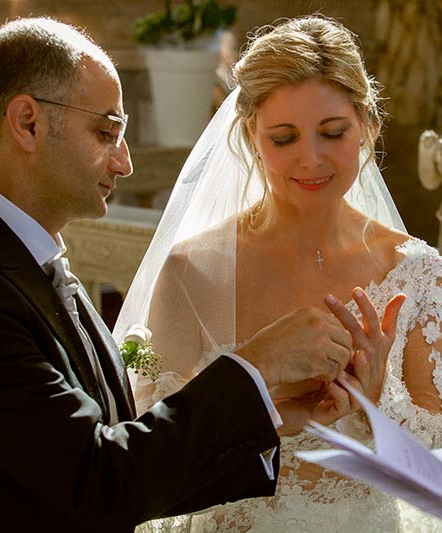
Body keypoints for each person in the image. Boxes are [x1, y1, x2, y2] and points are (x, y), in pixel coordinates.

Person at [0, 16, 378, 533]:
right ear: (28, 123)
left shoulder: (24, 261)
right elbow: (99, 483)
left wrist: (274, 417)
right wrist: (257, 362)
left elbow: (120, 453)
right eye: (106, 131)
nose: (126, 162)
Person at [114, 15, 442, 532]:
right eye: (284, 138)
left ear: (368, 127)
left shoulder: (417, 273)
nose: (310, 159)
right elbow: (152, 455)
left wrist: (379, 402)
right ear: (250, 134)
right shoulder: (192, 272)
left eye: (332, 132)